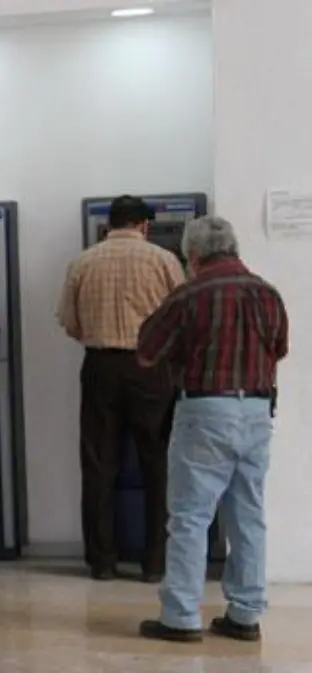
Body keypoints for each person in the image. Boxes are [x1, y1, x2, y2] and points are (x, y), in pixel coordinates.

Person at [135, 216, 288, 643]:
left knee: (190, 517)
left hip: (205, 410)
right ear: (234, 248)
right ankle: (245, 615)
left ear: (193, 255)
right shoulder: (268, 293)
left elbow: (147, 350)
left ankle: (181, 617)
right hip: (257, 410)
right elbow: (279, 349)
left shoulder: (190, 294)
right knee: (249, 516)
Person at [55, 195, 186, 582]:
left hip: (100, 367)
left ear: (107, 225)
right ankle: (155, 562)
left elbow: (69, 323)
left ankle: (102, 561)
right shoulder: (164, 260)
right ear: (144, 225)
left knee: (99, 464)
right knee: (156, 463)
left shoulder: (83, 262)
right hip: (151, 368)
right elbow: (182, 318)